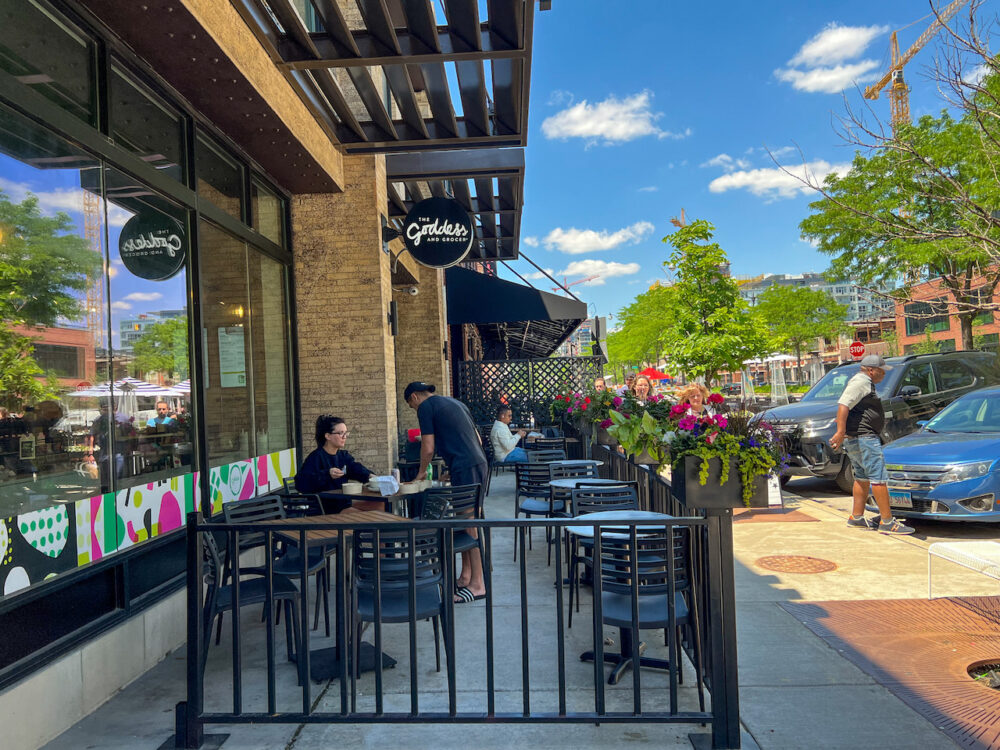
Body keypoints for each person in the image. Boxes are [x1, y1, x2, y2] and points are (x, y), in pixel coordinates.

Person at [404, 381, 488, 604]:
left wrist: (422, 472)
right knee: (467, 519)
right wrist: (454, 468)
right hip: (477, 464)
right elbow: (476, 440)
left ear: (413, 398)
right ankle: (466, 575)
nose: (415, 411)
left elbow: (428, 447)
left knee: (470, 524)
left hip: (466, 467)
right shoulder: (455, 403)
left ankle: (478, 584)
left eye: (411, 407)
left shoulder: (425, 407)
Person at [829, 355, 913, 534]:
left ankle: (857, 517)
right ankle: (887, 521)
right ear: (870, 370)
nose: (883, 374)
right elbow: (843, 405)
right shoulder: (860, 382)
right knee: (878, 478)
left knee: (862, 477)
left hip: (857, 437)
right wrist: (840, 431)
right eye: (881, 370)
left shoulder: (863, 382)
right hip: (865, 438)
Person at [295, 415, 384, 512]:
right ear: (328, 436)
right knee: (369, 516)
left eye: (346, 433)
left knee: (381, 505)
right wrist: (327, 474)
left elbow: (355, 468)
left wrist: (370, 476)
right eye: (341, 433)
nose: (344, 437)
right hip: (325, 508)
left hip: (344, 503)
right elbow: (301, 483)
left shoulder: (343, 456)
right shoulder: (315, 457)